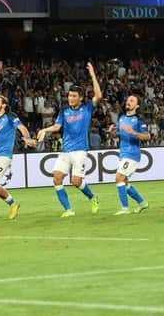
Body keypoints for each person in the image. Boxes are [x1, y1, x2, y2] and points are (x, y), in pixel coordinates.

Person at [36, 63, 102, 217]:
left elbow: (98, 96)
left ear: (80, 98)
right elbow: (57, 126)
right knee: (57, 178)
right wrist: (45, 130)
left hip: (80, 151)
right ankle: (68, 210)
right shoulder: (64, 112)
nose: (70, 98)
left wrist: (93, 76)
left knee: (76, 182)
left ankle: (93, 197)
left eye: (74, 96)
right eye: (69, 96)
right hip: (66, 151)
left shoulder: (87, 108)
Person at [108, 95, 150, 215]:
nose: (128, 102)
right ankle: (142, 203)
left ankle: (125, 208)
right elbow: (118, 135)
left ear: (136, 106)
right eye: (127, 100)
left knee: (119, 177)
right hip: (123, 153)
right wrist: (112, 133)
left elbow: (147, 136)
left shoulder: (139, 120)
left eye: (132, 101)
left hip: (132, 154)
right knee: (124, 181)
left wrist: (134, 132)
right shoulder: (121, 118)